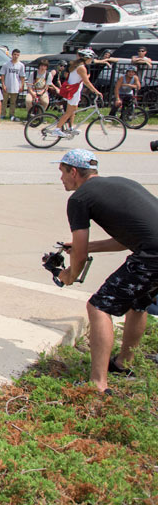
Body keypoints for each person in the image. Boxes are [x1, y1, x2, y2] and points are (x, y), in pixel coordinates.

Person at [54, 148, 158, 393]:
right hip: (152, 252)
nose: (61, 179)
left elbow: (79, 257)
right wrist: (86, 247)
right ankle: (123, 365)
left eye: (62, 172)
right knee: (137, 303)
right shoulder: (121, 182)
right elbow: (126, 239)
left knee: (98, 306)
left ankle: (98, 384)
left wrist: (69, 275)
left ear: (75, 172)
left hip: (151, 256)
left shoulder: (79, 199)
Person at [51, 49, 103, 137]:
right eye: (91, 58)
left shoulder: (77, 65)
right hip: (73, 92)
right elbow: (87, 82)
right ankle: (57, 129)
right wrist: (96, 92)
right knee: (68, 112)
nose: (92, 60)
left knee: (73, 111)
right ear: (86, 58)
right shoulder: (81, 68)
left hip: (74, 91)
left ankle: (70, 128)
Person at [0, 49, 26, 121]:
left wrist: (22, 85)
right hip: (7, 85)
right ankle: (3, 114)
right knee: (4, 101)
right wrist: (3, 85)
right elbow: (2, 75)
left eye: (17, 55)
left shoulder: (21, 65)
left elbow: (22, 76)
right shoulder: (6, 64)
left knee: (13, 102)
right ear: (12, 55)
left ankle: (12, 114)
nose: (16, 56)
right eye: (15, 54)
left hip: (16, 86)